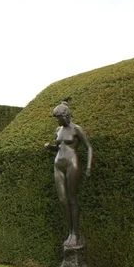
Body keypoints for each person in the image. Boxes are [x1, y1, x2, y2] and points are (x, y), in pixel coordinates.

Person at [44, 101, 93, 248]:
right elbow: (59, 147)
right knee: (62, 200)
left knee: (72, 199)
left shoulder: (76, 129)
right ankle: (70, 231)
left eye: (58, 117)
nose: (57, 121)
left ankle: (74, 233)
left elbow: (89, 147)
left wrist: (89, 167)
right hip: (58, 165)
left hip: (72, 164)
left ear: (66, 115)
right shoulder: (58, 129)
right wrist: (50, 147)